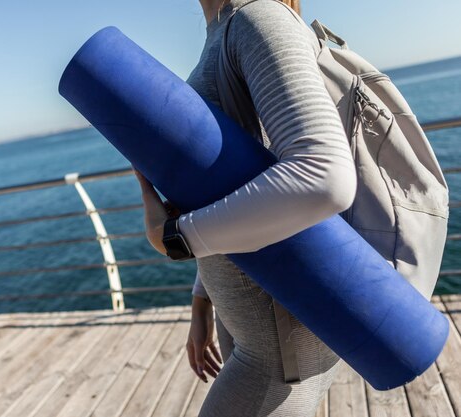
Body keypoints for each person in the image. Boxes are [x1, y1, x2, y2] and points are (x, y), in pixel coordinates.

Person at [134, 0, 357, 415]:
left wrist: (177, 239)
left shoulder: (259, 18)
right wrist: (203, 300)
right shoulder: (221, 32)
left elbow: (324, 178)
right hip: (254, 332)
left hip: (280, 353)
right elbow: (233, 185)